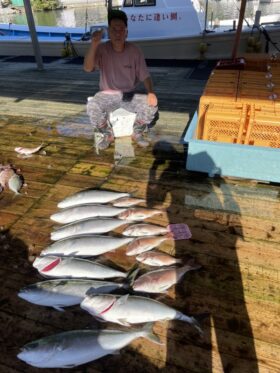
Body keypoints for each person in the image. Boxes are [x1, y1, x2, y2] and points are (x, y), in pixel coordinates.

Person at [83, 9, 158, 150]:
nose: (118, 33)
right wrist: (93, 44)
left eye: (121, 29)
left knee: (152, 104)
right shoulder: (102, 49)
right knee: (92, 106)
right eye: (114, 29)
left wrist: (151, 92)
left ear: (126, 32)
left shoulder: (135, 50)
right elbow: (87, 68)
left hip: (129, 93)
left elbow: (145, 75)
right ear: (109, 32)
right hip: (106, 94)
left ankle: (137, 132)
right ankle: (107, 133)